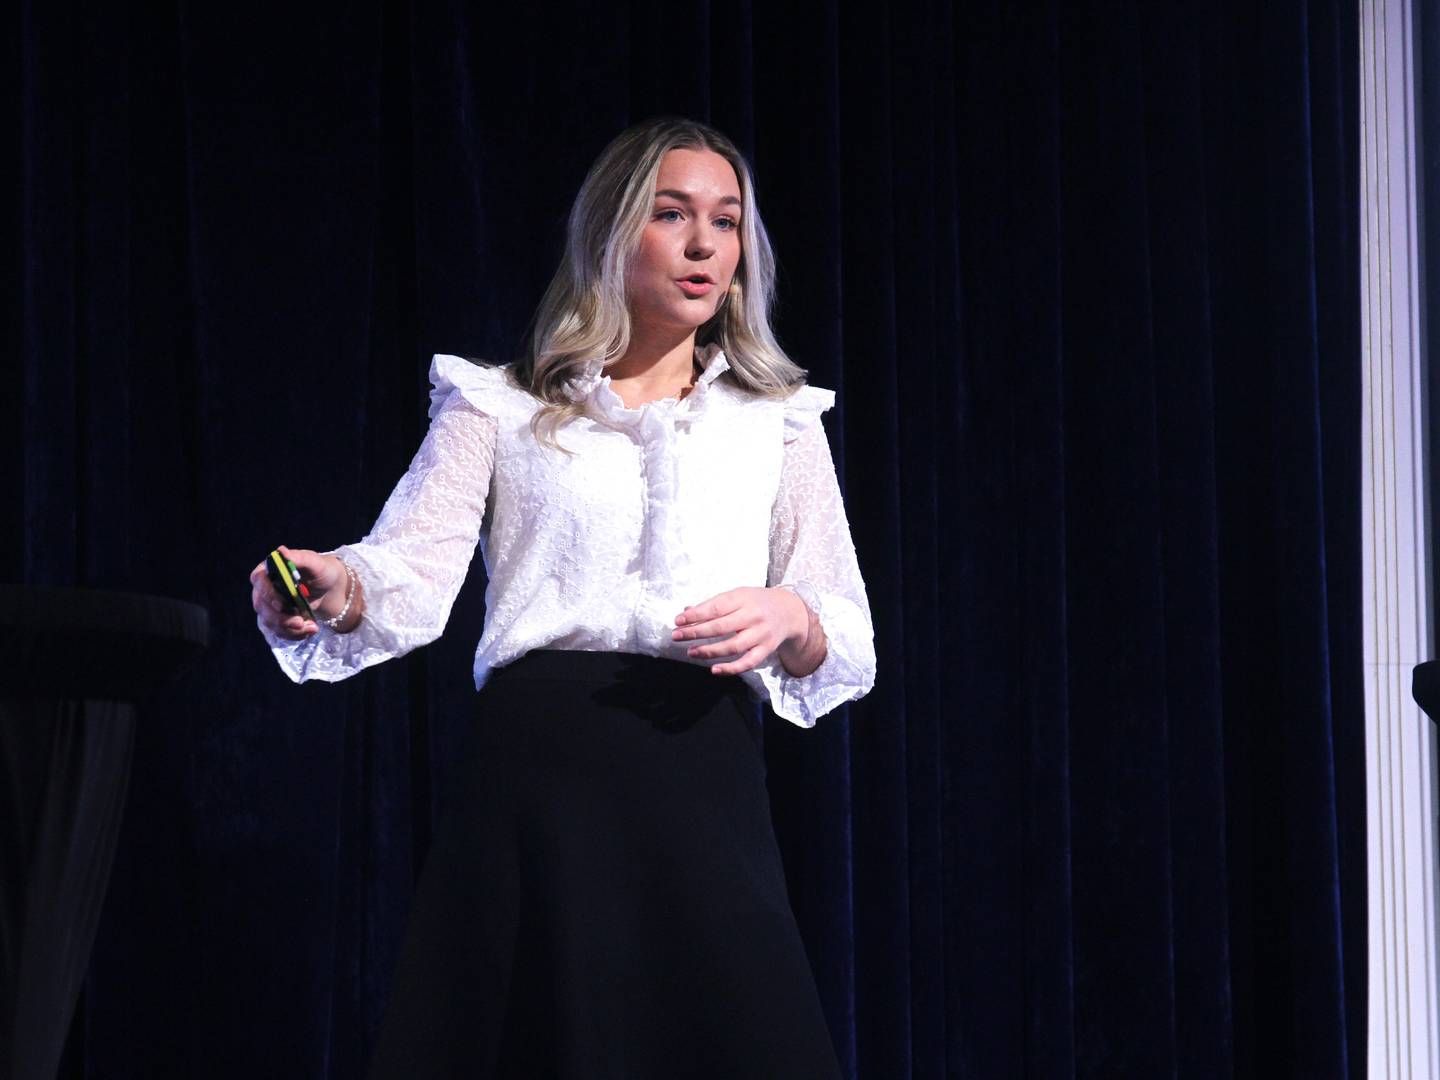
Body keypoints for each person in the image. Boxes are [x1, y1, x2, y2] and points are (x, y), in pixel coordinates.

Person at [249, 116, 875, 1079]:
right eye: (673, 215)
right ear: (612, 233)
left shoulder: (778, 424)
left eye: (727, 220)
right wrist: (338, 586)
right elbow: (406, 568)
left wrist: (790, 618)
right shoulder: (499, 404)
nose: (705, 244)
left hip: (699, 768)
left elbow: (845, 629)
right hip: (540, 777)